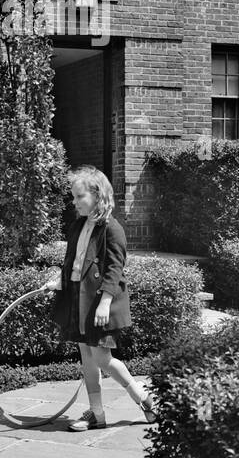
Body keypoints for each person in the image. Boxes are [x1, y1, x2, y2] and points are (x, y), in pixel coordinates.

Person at [36, 166, 157, 432]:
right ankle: (97, 414)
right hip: (78, 297)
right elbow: (73, 263)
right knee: (87, 359)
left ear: (97, 195)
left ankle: (143, 398)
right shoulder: (79, 225)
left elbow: (115, 270)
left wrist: (104, 302)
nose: (75, 202)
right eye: (74, 196)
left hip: (97, 301)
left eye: (80, 196)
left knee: (102, 357)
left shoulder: (111, 229)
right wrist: (58, 280)